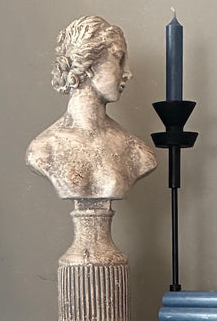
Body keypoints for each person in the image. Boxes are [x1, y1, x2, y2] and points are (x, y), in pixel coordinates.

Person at [27, 16, 157, 200]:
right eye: (119, 59)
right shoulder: (44, 148)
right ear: (88, 64)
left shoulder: (137, 151)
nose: (128, 73)